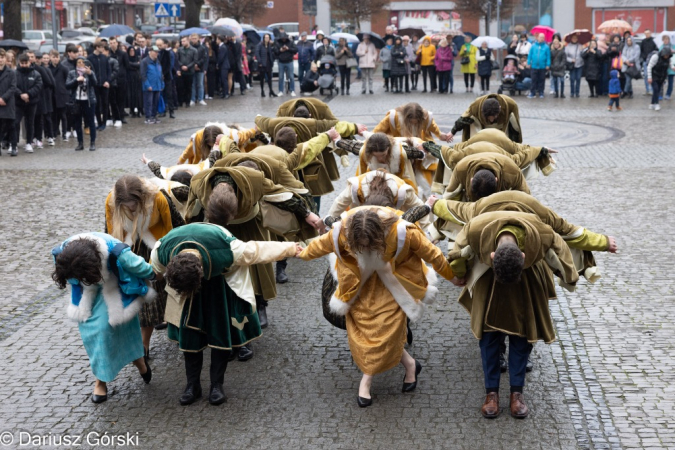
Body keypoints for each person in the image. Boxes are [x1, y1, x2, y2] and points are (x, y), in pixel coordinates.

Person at [298, 205, 459, 407]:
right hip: (359, 285)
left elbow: (433, 254)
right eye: (360, 246)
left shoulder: (403, 232)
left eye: (369, 245)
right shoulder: (341, 232)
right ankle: (410, 365)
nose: (364, 250)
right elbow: (318, 246)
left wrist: (452, 278)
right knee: (365, 331)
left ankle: (366, 380)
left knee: (385, 329)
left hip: (393, 284)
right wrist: (299, 253)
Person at [150, 222, 300, 405]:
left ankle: (216, 385)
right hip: (184, 287)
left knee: (220, 334)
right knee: (189, 337)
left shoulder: (228, 249)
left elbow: (258, 250)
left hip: (218, 287)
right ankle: (192, 386)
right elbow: (155, 273)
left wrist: (291, 248)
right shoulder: (161, 251)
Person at [51, 233, 154, 404]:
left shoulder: (116, 251)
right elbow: (64, 273)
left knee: (124, 330)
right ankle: (101, 379)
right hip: (86, 294)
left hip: (114, 289)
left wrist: (157, 272)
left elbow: (140, 267)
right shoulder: (63, 254)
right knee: (96, 332)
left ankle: (139, 361)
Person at [105, 175, 184, 363]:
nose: (131, 209)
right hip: (129, 252)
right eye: (127, 206)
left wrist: (173, 257)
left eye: (134, 204)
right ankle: (143, 344)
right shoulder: (111, 201)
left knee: (169, 291)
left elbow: (175, 227)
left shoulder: (159, 197)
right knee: (142, 297)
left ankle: (179, 329)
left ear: (142, 196)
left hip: (159, 249)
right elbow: (109, 233)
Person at [444, 153, 530, 201]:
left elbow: (526, 196)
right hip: (471, 151)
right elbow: (450, 194)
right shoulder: (461, 169)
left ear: (497, 180)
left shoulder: (512, 172)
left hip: (502, 152)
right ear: (471, 180)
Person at [65, 57, 96, 151]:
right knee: (77, 123)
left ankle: (92, 143)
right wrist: (76, 80)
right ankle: (80, 143)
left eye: (83, 62)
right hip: (77, 101)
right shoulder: (72, 73)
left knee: (91, 122)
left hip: (89, 101)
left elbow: (95, 83)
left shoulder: (90, 72)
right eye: (79, 62)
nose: (81, 64)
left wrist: (89, 74)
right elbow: (67, 85)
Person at [15, 53, 42, 154]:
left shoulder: (36, 74)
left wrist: (28, 94)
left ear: (29, 62)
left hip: (31, 102)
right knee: (15, 123)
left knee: (30, 123)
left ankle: (29, 143)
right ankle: (14, 143)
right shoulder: (14, 73)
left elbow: (38, 86)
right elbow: (13, 86)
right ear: (19, 63)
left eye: (25, 63)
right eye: (22, 63)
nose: (24, 65)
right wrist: (21, 95)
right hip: (18, 102)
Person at [32, 51, 55, 149]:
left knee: (45, 117)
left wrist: (41, 88)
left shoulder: (41, 69)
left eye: (38, 58)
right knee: (34, 118)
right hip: (36, 96)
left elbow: (50, 82)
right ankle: (34, 137)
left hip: (43, 96)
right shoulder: (32, 68)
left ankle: (50, 136)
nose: (36, 60)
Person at [87, 41, 111, 131]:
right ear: (97, 47)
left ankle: (104, 123)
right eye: (101, 47)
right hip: (95, 85)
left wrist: (108, 81)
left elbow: (109, 71)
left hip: (104, 85)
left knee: (105, 104)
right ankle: (99, 122)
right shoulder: (90, 58)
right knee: (96, 104)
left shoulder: (104, 57)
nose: (103, 49)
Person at [0, 49, 17, 157]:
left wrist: (4, 98)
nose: (0, 60)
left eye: (2, 57)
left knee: (11, 125)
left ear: (5, 59)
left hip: (8, 103)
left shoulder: (11, 72)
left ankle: (13, 147)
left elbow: (13, 87)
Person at [141, 45, 164, 124]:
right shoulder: (145, 61)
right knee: (148, 102)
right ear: (150, 52)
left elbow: (160, 74)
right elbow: (143, 75)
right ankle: (148, 117)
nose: (156, 54)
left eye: (157, 52)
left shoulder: (158, 61)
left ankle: (154, 116)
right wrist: (147, 85)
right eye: (155, 52)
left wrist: (162, 84)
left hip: (157, 86)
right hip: (149, 87)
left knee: (155, 102)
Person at [110, 38, 131, 124]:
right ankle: (115, 116)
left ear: (117, 43)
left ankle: (121, 116)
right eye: (111, 43)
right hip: (112, 79)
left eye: (114, 43)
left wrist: (123, 75)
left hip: (121, 79)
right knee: (113, 99)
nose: (112, 44)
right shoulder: (109, 54)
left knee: (121, 99)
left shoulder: (123, 54)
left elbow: (127, 66)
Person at [647, 47, 673, 111]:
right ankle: (656, 104)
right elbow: (649, 66)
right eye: (666, 55)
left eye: (668, 55)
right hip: (654, 75)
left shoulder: (669, 59)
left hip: (662, 76)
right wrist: (649, 77)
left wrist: (673, 67)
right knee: (655, 88)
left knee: (657, 90)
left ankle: (652, 104)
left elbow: (670, 65)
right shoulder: (655, 57)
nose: (666, 56)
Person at [527, 33, 551, 99]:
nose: (541, 39)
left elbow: (548, 57)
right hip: (534, 66)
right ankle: (532, 93)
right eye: (540, 37)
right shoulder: (533, 46)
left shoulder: (546, 47)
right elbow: (530, 55)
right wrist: (528, 63)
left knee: (541, 80)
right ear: (538, 38)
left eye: (543, 37)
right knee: (533, 80)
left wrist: (548, 64)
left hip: (542, 67)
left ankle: (541, 92)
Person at [274, 32, 297, 97]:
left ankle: (292, 90)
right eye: (282, 38)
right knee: (281, 77)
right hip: (281, 62)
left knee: (291, 77)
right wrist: (280, 50)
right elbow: (275, 52)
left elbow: (295, 50)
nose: (283, 39)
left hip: (289, 61)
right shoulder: (278, 43)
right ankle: (280, 91)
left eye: (284, 38)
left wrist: (288, 49)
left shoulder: (291, 42)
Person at [177, 36, 197, 108]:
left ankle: (187, 101)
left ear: (188, 41)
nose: (182, 43)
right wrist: (181, 65)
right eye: (182, 41)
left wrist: (188, 66)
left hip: (190, 71)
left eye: (184, 41)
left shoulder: (194, 50)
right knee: (181, 87)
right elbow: (177, 59)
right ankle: (181, 101)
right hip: (182, 71)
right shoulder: (179, 49)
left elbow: (194, 60)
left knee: (188, 87)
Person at [255, 33, 275, 98]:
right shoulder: (260, 45)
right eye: (265, 37)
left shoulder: (269, 45)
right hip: (262, 64)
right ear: (263, 38)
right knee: (262, 78)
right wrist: (259, 62)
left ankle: (271, 91)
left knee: (270, 78)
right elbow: (257, 53)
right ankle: (262, 91)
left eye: (268, 37)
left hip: (269, 63)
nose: (267, 39)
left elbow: (271, 54)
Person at [190, 34, 207, 106]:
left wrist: (198, 64)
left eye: (195, 38)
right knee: (193, 84)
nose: (194, 40)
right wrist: (193, 65)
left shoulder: (202, 48)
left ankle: (201, 99)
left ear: (198, 39)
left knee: (200, 84)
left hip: (200, 68)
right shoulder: (190, 47)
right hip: (191, 68)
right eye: (192, 38)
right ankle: (193, 99)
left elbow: (204, 58)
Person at [127, 45, 143, 117]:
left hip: (137, 78)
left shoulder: (138, 57)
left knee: (139, 94)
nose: (132, 52)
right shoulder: (127, 58)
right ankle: (132, 110)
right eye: (130, 51)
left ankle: (140, 109)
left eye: (133, 50)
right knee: (131, 95)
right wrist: (135, 65)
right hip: (130, 78)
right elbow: (128, 65)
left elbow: (140, 65)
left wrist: (133, 65)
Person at [640, 30, 657, 95]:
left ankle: (653, 89)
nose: (647, 35)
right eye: (645, 33)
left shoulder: (654, 41)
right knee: (646, 75)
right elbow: (641, 50)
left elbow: (656, 49)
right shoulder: (643, 41)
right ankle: (647, 89)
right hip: (645, 61)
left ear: (650, 33)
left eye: (648, 33)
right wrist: (643, 57)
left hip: (653, 60)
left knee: (652, 75)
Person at [216, 35, 231, 99]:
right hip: (223, 66)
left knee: (224, 80)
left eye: (217, 39)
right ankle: (224, 93)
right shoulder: (221, 47)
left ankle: (226, 93)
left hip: (224, 66)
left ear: (219, 40)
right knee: (222, 80)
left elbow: (221, 57)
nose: (216, 41)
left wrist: (217, 64)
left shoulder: (223, 47)